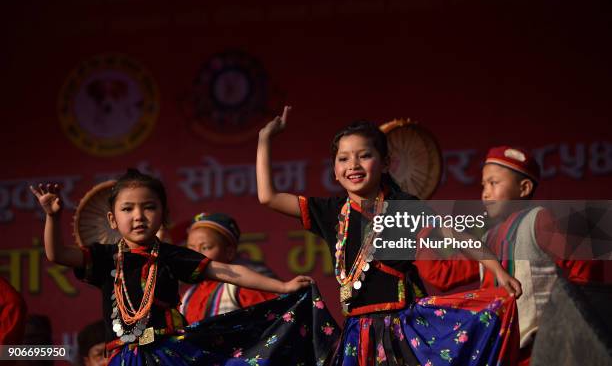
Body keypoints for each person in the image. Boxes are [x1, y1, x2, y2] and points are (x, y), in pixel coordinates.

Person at [256, 106, 523, 366]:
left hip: (401, 330)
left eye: (364, 156)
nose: (353, 165)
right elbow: (268, 196)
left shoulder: (403, 206)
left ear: (385, 163)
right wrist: (264, 138)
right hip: (356, 336)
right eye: (344, 158)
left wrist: (496, 268)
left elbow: (456, 235)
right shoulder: (330, 212)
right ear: (335, 171)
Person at [29, 169, 314, 365]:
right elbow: (57, 255)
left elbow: (227, 271)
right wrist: (52, 218)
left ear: (163, 215)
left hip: (167, 352)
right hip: (123, 356)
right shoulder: (104, 257)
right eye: (127, 209)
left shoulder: (170, 255)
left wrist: (283, 286)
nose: (139, 216)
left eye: (149, 207)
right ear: (112, 219)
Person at [479, 145, 608, 365]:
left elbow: (584, 261)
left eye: (493, 183)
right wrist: (421, 229)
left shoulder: (538, 221)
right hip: (500, 354)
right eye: (483, 185)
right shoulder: (485, 241)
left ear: (524, 188)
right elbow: (442, 274)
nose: (485, 193)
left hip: (539, 352)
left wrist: (576, 320)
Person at [180, 212, 277, 323]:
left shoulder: (240, 288)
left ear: (229, 252)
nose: (195, 255)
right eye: (191, 248)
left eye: (205, 247)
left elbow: (275, 317)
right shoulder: (186, 297)